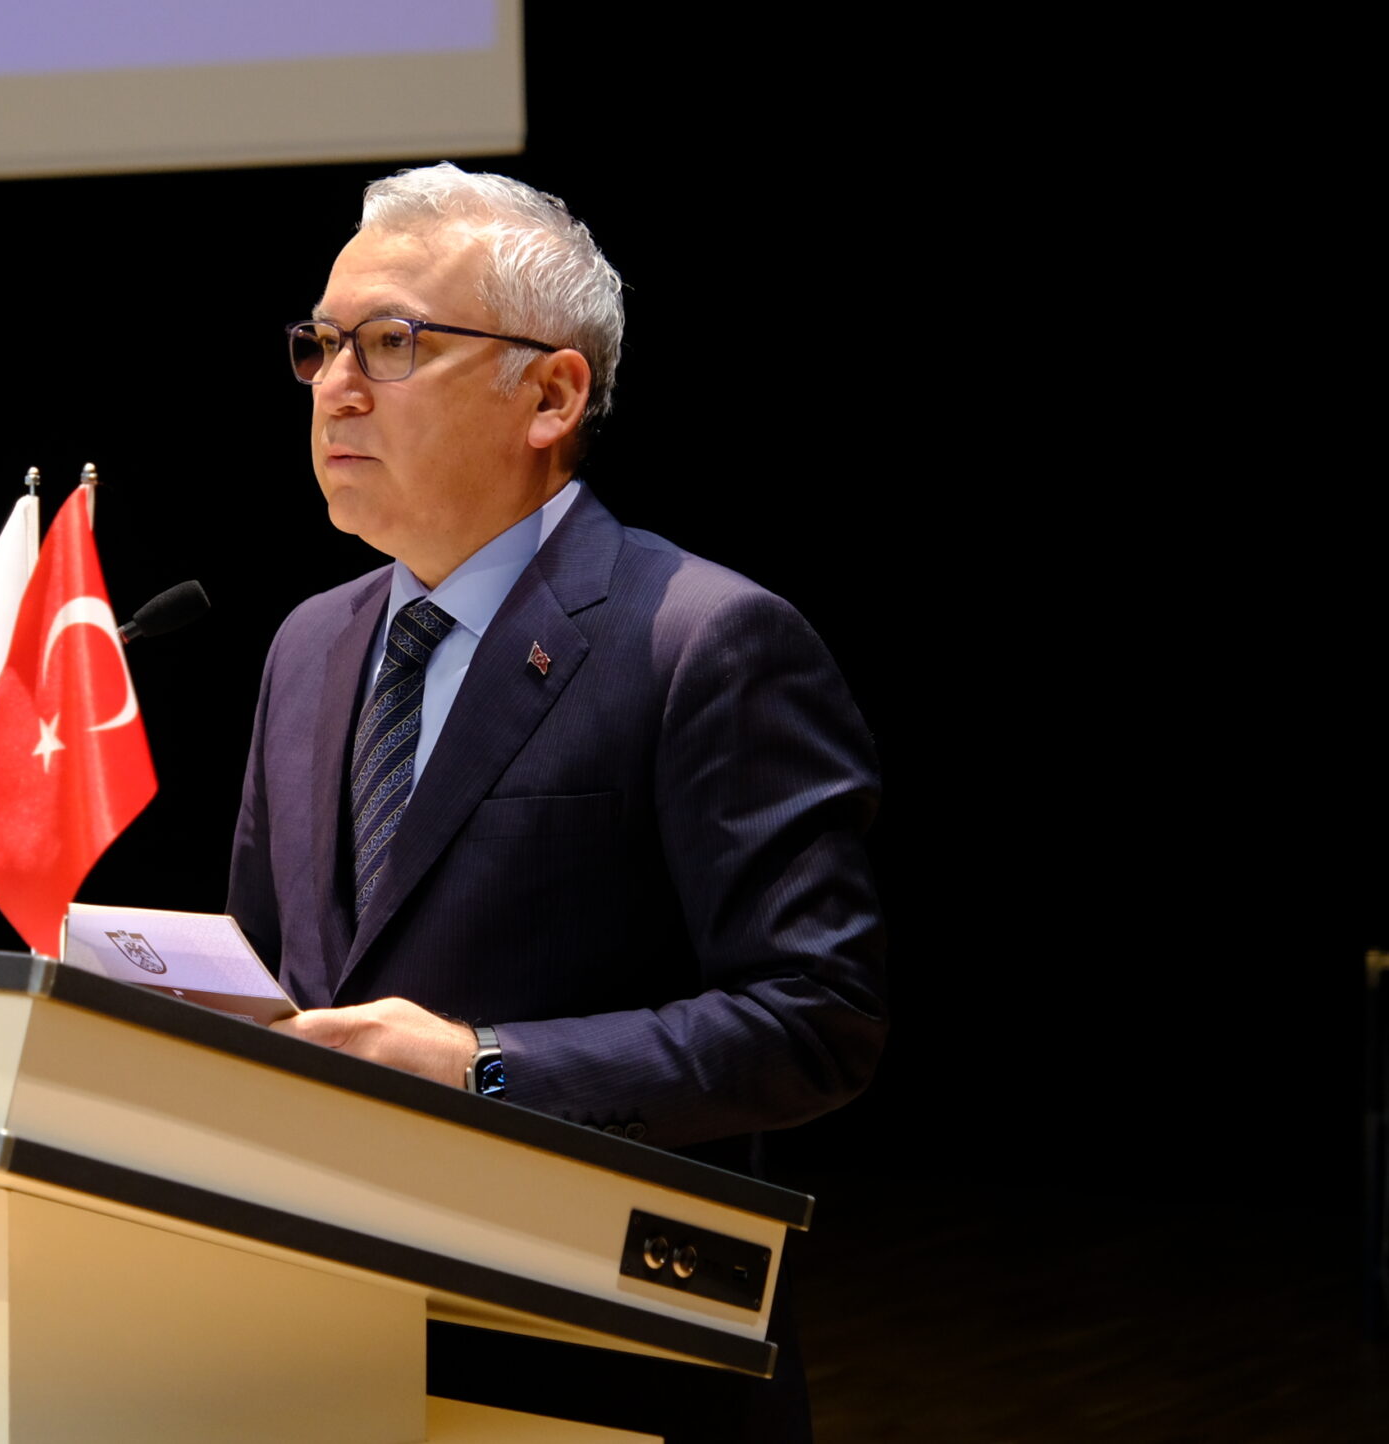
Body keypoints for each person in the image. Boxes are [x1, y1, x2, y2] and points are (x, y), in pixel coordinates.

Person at [224, 162, 887, 1441]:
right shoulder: (309, 645)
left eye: (392, 342)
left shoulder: (701, 639)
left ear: (551, 394)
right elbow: (272, 972)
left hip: (596, 1363)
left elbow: (817, 1018)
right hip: (321, 1340)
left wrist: (483, 1066)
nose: (336, 386)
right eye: (321, 344)